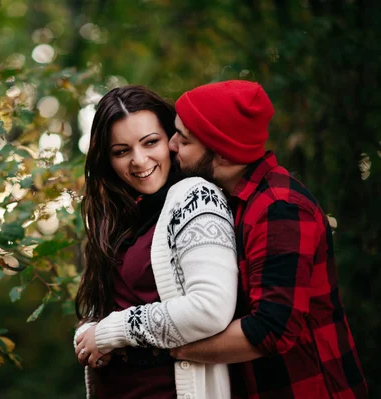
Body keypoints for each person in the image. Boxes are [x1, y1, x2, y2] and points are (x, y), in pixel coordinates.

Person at [166, 80, 368, 398]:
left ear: (222, 153)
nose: (171, 144)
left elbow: (271, 330)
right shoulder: (228, 202)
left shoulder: (280, 208)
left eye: (185, 139)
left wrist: (173, 349)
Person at [74, 85, 238, 399]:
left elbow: (210, 309)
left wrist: (110, 333)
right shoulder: (119, 217)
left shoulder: (196, 197)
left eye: (151, 142)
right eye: (121, 151)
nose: (139, 160)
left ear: (172, 140)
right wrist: (85, 336)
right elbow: (102, 308)